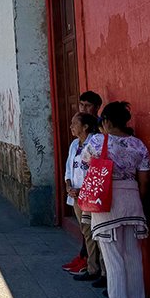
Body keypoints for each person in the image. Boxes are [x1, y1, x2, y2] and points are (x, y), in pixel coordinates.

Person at [81, 102, 150, 298]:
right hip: (132, 200)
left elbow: (85, 165)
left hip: (107, 201)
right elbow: (144, 182)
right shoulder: (139, 145)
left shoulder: (96, 141)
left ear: (107, 122)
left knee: (112, 257)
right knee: (132, 254)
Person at [63, 90, 104, 274]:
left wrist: (84, 190)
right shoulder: (74, 144)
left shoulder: (98, 139)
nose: (84, 108)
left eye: (88, 106)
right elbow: (69, 169)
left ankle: (94, 267)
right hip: (76, 194)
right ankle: (88, 262)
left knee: (95, 232)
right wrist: (69, 186)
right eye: (82, 105)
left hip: (91, 194)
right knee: (86, 230)